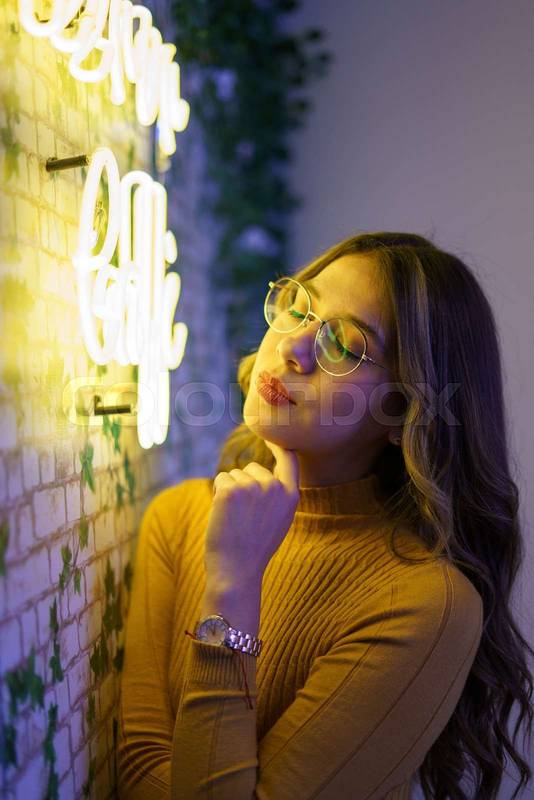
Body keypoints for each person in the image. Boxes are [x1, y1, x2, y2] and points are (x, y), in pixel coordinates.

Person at [117, 232, 533, 799]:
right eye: (298, 307)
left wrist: (234, 584)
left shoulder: (425, 605)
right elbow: (138, 765)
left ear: (406, 410)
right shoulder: (182, 517)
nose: (294, 346)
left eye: (343, 344)